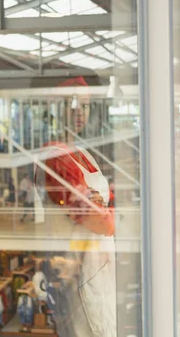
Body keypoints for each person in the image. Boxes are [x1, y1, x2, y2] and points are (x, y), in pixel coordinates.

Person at [35, 76, 116, 337]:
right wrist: (103, 213)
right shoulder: (55, 153)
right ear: (56, 109)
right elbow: (100, 221)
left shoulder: (83, 152)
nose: (80, 111)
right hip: (78, 271)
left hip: (99, 265)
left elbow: (105, 201)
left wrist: (102, 207)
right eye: (72, 103)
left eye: (86, 105)